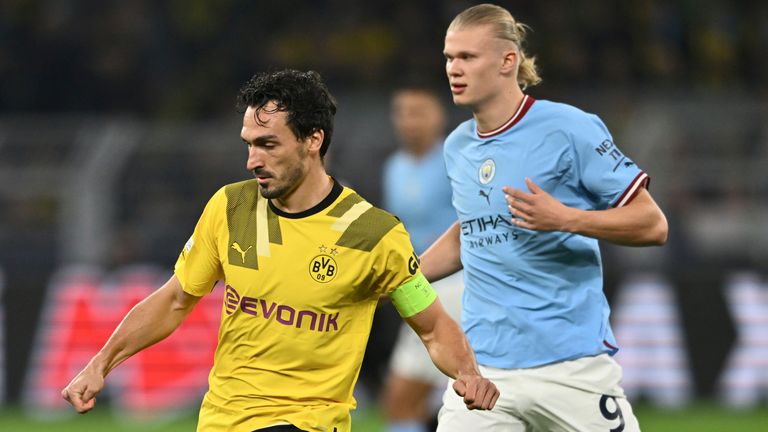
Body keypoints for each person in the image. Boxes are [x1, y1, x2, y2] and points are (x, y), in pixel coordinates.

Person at [60, 69, 499, 432]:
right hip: (221, 421)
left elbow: (432, 326)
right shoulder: (230, 207)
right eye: (249, 144)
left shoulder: (373, 234)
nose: (252, 159)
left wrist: (469, 374)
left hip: (307, 423)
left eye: (268, 144)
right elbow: (175, 299)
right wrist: (101, 363)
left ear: (313, 140)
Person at [423, 4, 669, 432]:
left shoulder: (570, 128)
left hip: (571, 368)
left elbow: (653, 224)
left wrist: (567, 218)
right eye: (449, 57)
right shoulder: (456, 146)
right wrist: (398, 277)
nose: (453, 69)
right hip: (484, 371)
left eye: (467, 57)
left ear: (507, 61)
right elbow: (472, 233)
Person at [379, 84, 464, 432]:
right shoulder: (394, 167)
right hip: (414, 286)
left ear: (438, 116)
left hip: (456, 286)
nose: (408, 122)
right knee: (407, 401)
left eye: (419, 112)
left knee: (403, 397)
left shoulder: (455, 160)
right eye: (402, 112)